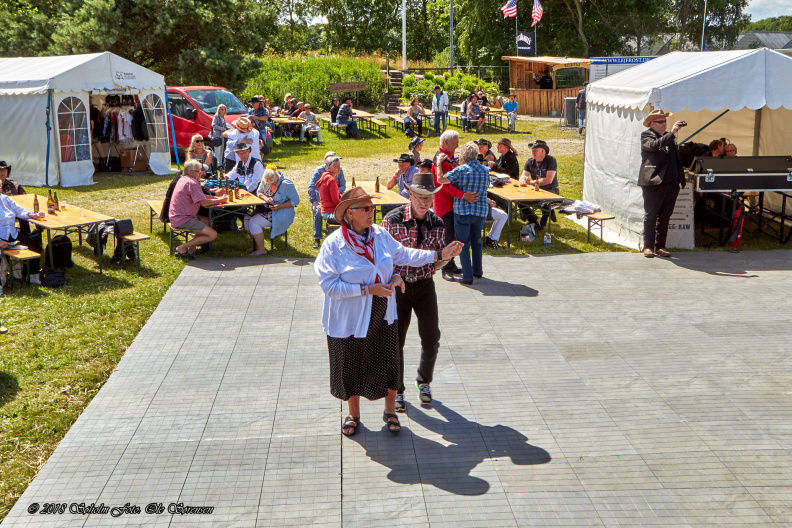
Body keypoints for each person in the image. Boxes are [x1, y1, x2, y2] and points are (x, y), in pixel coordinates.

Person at [314, 186, 463, 437]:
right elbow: (328, 285)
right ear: (349, 213)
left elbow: (403, 255)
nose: (372, 211)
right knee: (349, 364)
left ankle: (390, 410)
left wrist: (436, 255)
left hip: (383, 310)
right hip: (350, 317)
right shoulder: (333, 245)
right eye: (365, 208)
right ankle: (353, 414)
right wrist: (366, 290)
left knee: (388, 361)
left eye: (372, 207)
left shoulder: (379, 235)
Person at [381, 172, 455, 411]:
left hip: (424, 285)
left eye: (429, 197)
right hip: (398, 287)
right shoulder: (391, 221)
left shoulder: (438, 224)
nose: (424, 202)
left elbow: (436, 263)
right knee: (395, 341)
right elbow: (383, 258)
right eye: (419, 196)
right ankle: (397, 390)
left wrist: (448, 257)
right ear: (410, 194)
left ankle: (424, 381)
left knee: (431, 338)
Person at [435, 142, 490, 285]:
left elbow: (440, 179)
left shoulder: (461, 170)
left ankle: (467, 276)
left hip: (463, 212)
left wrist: (438, 165)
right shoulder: (485, 170)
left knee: (463, 243)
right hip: (480, 211)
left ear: (463, 156)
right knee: (476, 241)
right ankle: (477, 270)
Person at [638, 109, 685, 258]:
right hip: (653, 183)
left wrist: (679, 178)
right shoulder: (647, 135)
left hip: (670, 183)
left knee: (665, 216)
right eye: (659, 122)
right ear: (652, 123)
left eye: (664, 121)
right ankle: (648, 246)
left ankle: (660, 246)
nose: (663, 124)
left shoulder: (668, 137)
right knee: (651, 215)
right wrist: (671, 133)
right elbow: (653, 146)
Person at [432, 130, 478, 282]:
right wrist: (463, 195)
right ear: (445, 141)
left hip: (452, 204)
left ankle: (450, 264)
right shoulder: (441, 158)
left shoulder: (449, 158)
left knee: (453, 236)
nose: (458, 144)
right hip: (445, 205)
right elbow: (442, 183)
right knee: (447, 237)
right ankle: (445, 268)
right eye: (455, 141)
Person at [168, 160, 228, 260]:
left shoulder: (184, 179)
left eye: (201, 171)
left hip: (178, 216)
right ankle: (182, 248)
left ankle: (192, 248)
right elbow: (203, 203)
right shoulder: (192, 183)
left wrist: (216, 198)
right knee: (213, 235)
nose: (202, 173)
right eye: (198, 171)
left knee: (209, 221)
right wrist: (220, 200)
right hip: (184, 219)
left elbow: (201, 196)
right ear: (189, 172)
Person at [243, 167, 299, 255]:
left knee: (254, 221)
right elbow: (259, 192)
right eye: (267, 184)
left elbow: (295, 201)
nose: (270, 185)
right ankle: (257, 245)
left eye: (272, 183)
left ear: (277, 176)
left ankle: (261, 250)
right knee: (246, 218)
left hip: (280, 212)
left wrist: (280, 206)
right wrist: (266, 198)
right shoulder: (266, 178)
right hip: (265, 209)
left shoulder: (286, 184)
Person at [0, 192, 45, 287]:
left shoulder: (5, 199)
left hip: (12, 234)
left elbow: (19, 210)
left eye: (0, 186)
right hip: (1, 237)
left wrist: (31, 215)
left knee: (34, 245)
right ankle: (14, 277)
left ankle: (32, 277)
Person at [309, 152, 347, 249]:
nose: (339, 167)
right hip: (323, 203)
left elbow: (343, 185)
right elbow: (311, 188)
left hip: (329, 203)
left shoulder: (327, 175)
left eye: (339, 165)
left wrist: (335, 191)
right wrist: (315, 203)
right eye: (336, 165)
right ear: (327, 164)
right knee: (351, 218)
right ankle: (318, 239)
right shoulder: (325, 175)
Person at [519, 140, 559, 229]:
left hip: (550, 190)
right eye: (532, 150)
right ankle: (534, 221)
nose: (533, 152)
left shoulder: (551, 160)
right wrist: (523, 180)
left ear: (543, 151)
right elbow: (523, 175)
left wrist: (531, 182)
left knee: (545, 204)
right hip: (536, 191)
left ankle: (543, 223)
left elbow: (548, 180)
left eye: (535, 150)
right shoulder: (530, 161)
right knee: (521, 202)